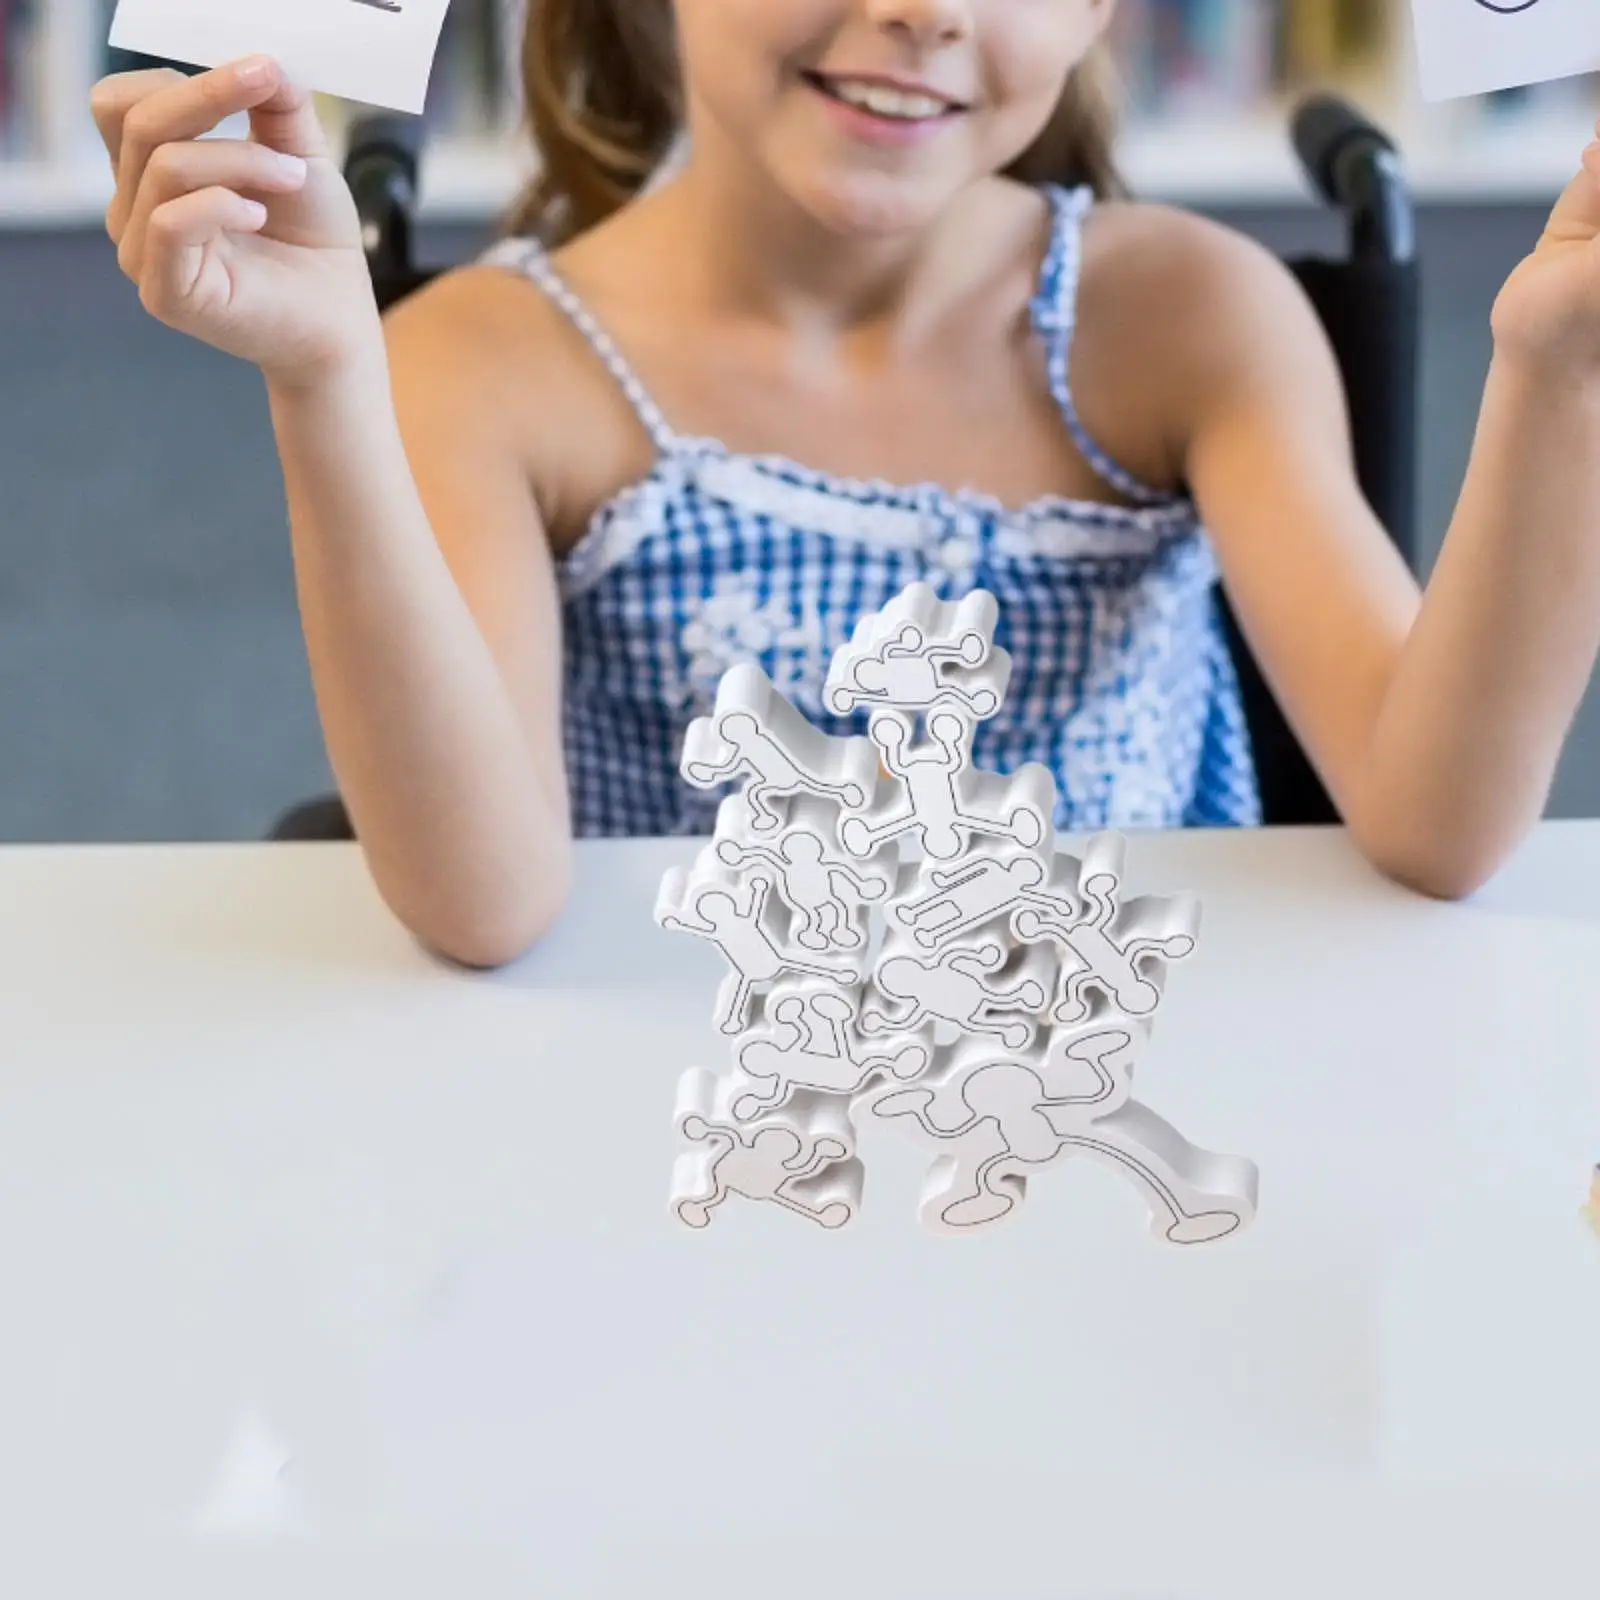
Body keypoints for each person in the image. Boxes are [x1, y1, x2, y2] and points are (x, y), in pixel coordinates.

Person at [90, 1, 1600, 968]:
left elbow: (1436, 825)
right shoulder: (486, 362)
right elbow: (484, 910)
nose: (921, 10)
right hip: (678, 1124)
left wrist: (1557, 370)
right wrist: (327, 381)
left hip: (1108, 1094)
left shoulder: (1191, 314)